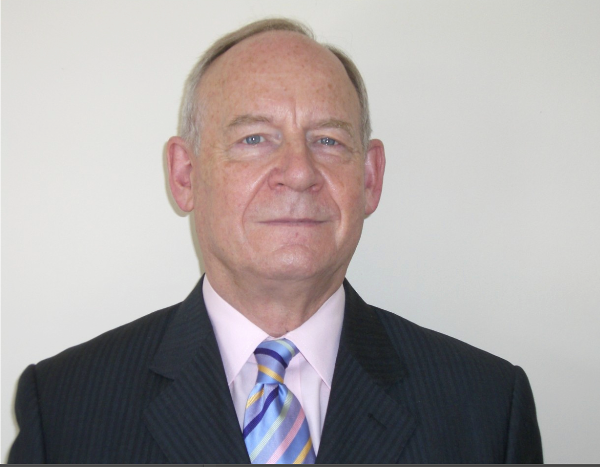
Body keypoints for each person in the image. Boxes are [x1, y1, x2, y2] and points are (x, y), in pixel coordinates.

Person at [8, 18, 543, 464]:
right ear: (185, 175)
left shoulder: (488, 408)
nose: (299, 172)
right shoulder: (62, 407)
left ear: (370, 178)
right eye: (254, 138)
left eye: (328, 140)